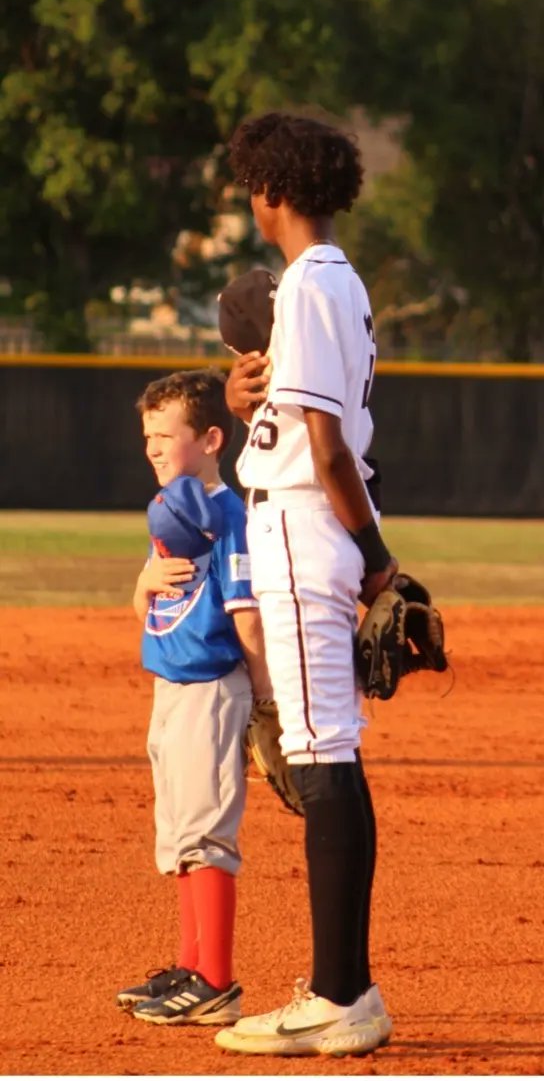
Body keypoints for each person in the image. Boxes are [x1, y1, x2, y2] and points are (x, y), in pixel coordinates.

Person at [213, 111, 397, 1058]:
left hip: (302, 531)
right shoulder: (323, 285)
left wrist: (380, 563)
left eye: (253, 182)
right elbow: (303, 425)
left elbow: (328, 452)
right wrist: (248, 401)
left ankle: (340, 993)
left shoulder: (313, 284)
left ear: (270, 192)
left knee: (322, 757)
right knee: (327, 753)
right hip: (304, 523)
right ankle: (342, 986)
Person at [117, 368, 271, 1025]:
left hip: (212, 687)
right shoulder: (171, 512)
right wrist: (145, 581)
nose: (152, 446)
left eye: (165, 434)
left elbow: (248, 616)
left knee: (206, 833)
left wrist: (265, 703)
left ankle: (217, 981)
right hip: (170, 689)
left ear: (211, 438)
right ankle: (191, 964)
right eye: (147, 435)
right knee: (179, 834)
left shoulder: (231, 514)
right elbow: (143, 608)